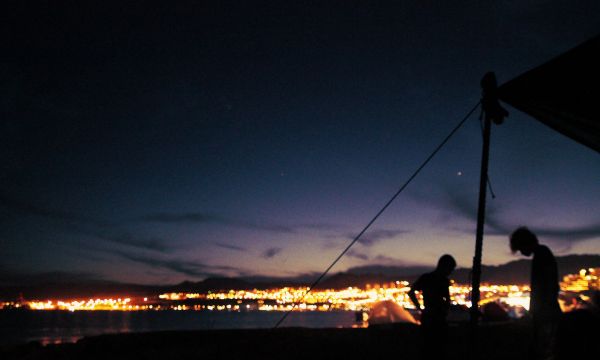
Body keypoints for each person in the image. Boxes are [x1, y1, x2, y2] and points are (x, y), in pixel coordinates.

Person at [510, 227, 561, 360]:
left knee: (545, 350)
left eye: (520, 248)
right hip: (546, 311)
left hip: (546, 313)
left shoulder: (542, 254)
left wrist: (539, 309)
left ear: (525, 243)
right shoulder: (542, 253)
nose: (521, 252)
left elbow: (546, 286)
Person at [408, 254, 456, 359]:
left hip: (428, 318)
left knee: (428, 348)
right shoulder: (443, 281)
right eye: (450, 269)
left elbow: (411, 292)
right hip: (438, 319)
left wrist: (420, 308)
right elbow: (447, 299)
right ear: (445, 267)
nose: (450, 272)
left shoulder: (427, 278)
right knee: (438, 349)